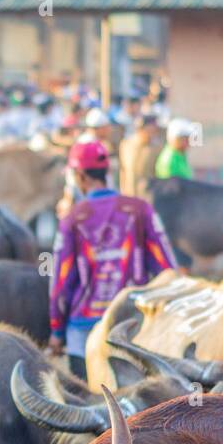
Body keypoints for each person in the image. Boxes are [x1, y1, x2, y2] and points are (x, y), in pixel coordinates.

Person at [48, 140, 177, 380]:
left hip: (84, 332)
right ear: (107, 172)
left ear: (79, 176)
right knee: (138, 410)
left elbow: (61, 281)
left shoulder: (72, 219)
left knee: (89, 408)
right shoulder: (140, 209)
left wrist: (56, 329)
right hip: (133, 326)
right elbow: (167, 268)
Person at [117, 114, 158, 200]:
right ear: (140, 129)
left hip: (147, 198)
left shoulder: (156, 148)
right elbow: (123, 170)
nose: (151, 133)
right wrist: (122, 191)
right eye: (149, 130)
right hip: (128, 195)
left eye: (153, 130)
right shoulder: (126, 145)